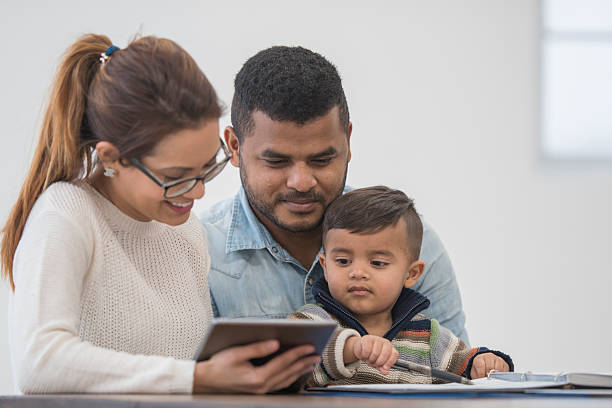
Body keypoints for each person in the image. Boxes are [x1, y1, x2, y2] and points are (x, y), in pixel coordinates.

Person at [1, 34, 319, 394]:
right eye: (174, 178)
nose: (198, 192)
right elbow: (39, 363)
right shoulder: (67, 214)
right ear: (112, 158)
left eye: (205, 169)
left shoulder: (186, 234)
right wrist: (198, 378)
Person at [201, 46, 469, 344]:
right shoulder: (199, 253)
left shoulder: (410, 243)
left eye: (321, 160)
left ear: (348, 141)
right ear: (235, 147)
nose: (301, 182)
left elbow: (454, 377)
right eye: (276, 161)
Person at [289, 186, 513, 385]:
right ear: (325, 266)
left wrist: (483, 362)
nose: (357, 273)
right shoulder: (313, 322)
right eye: (343, 261)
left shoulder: (427, 336)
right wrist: (353, 349)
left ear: (411, 274)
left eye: (377, 263)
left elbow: (463, 364)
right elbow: (293, 360)